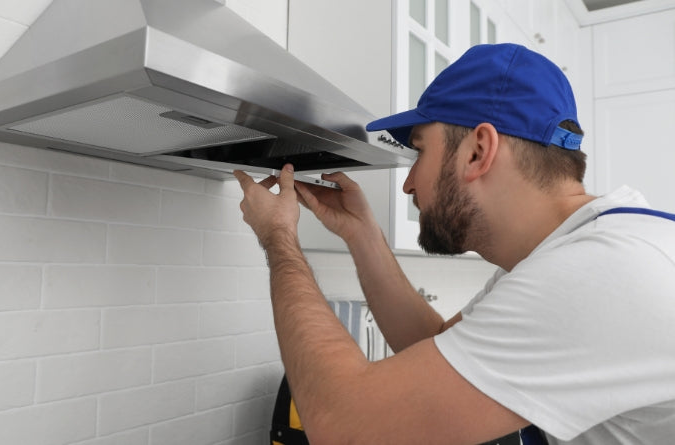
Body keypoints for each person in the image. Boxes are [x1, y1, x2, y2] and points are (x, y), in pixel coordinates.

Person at [233, 43, 675, 444]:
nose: (408, 184)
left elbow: (344, 425)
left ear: (478, 151)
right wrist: (361, 234)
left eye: (420, 152)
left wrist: (279, 239)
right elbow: (436, 341)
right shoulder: (579, 250)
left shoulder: (594, 275)